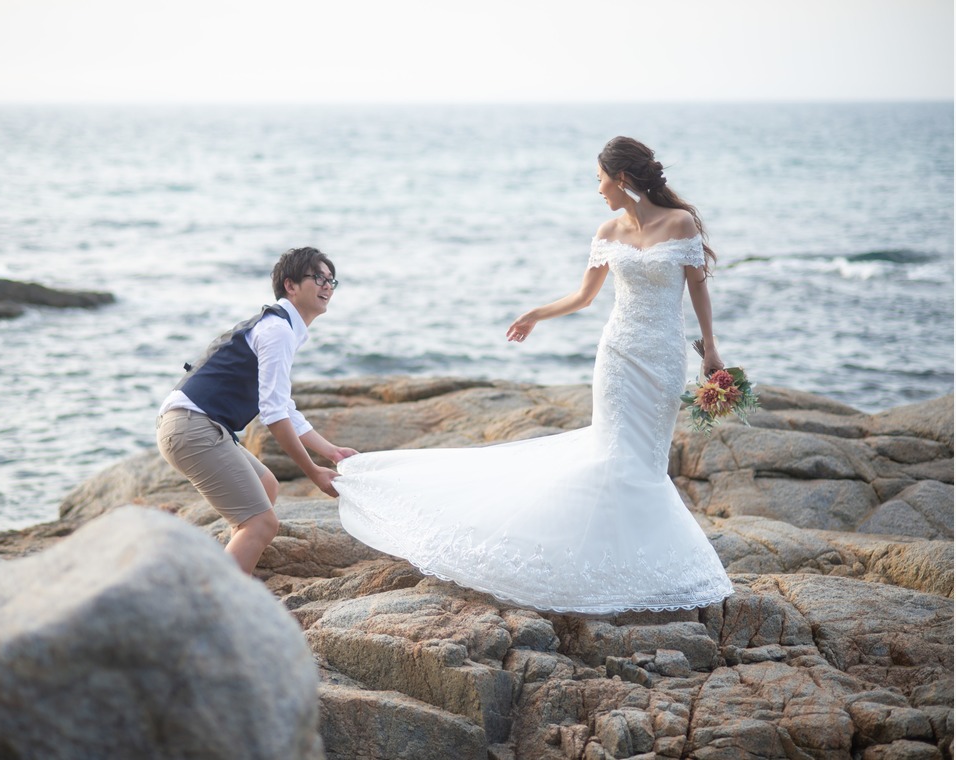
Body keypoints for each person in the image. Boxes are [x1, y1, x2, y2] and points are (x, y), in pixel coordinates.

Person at [335, 137, 734, 614]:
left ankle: (638, 566)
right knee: (610, 454)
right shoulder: (608, 231)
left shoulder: (680, 223)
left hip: (665, 358)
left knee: (646, 463)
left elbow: (698, 289)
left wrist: (710, 348)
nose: (598, 189)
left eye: (600, 179)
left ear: (622, 179)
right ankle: (597, 564)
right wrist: (535, 314)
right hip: (618, 356)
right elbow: (584, 297)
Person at [157, 247, 358, 575]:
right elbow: (274, 415)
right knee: (262, 523)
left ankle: (230, 569)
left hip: (192, 424)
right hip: (192, 428)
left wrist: (332, 452)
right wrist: (312, 471)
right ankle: (219, 598)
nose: (327, 286)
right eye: (318, 278)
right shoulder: (277, 331)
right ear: (290, 286)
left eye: (331, 280)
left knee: (267, 486)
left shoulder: (280, 327)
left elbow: (284, 407)